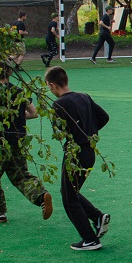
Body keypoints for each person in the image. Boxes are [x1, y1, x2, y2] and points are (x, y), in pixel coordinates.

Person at [45, 66, 111, 251]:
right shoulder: (84, 97)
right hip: (90, 151)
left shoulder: (58, 105)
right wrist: (90, 131)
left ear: (52, 85)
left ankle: (89, 238)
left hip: (75, 153)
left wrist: (76, 134)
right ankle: (97, 217)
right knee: (70, 192)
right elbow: (104, 117)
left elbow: (59, 133)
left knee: (69, 198)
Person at [0, 65, 52, 223]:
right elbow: (33, 113)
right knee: (20, 175)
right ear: (11, 72)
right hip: (19, 138)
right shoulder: (20, 91)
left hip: (0, 140)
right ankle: (41, 196)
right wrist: (18, 117)